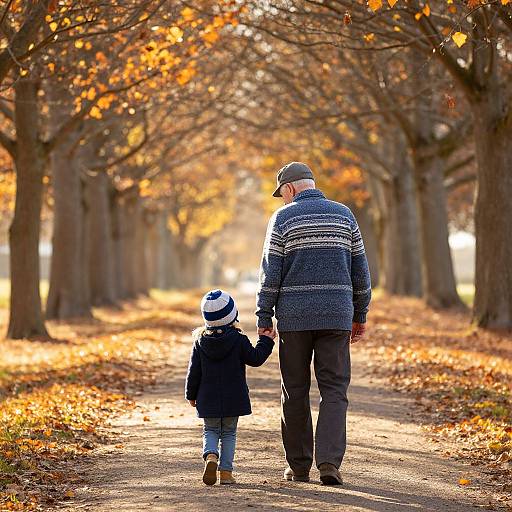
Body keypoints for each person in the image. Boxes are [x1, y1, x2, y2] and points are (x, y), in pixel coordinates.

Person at [256, 162, 371, 485]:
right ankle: (329, 463)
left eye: (282, 194)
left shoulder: (282, 218)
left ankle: (300, 466)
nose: (282, 200)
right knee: (334, 389)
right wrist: (359, 314)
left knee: (294, 390)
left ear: (290, 189)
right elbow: (360, 271)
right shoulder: (344, 215)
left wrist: (264, 316)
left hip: (293, 319)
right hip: (336, 315)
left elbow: (270, 274)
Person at [185, 289, 275, 486]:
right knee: (229, 433)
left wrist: (191, 395)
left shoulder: (200, 342)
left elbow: (194, 372)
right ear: (232, 315)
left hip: (208, 398)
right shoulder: (238, 339)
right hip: (234, 397)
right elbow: (255, 358)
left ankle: (210, 455)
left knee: (210, 430)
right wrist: (266, 341)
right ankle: (225, 473)